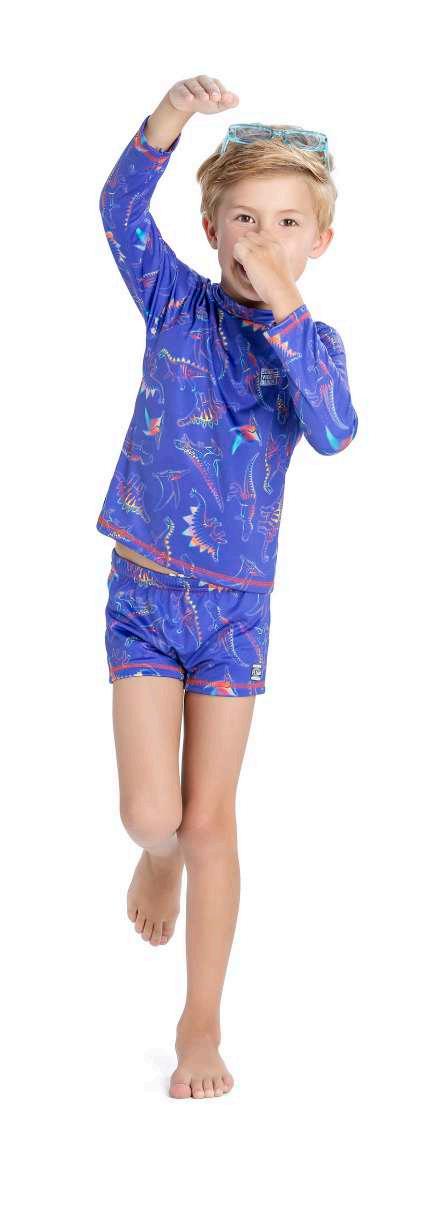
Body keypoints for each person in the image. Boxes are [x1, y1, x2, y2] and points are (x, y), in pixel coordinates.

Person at [96, 74, 358, 1099]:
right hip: (146, 591)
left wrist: (289, 309)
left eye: (287, 223)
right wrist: (168, 120)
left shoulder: (312, 349)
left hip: (235, 612)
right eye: (244, 219)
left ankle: (200, 1020)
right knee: (149, 811)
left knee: (212, 820)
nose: (262, 240)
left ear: (319, 242)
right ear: (211, 230)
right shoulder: (176, 302)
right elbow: (120, 212)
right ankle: (154, 856)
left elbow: (334, 430)